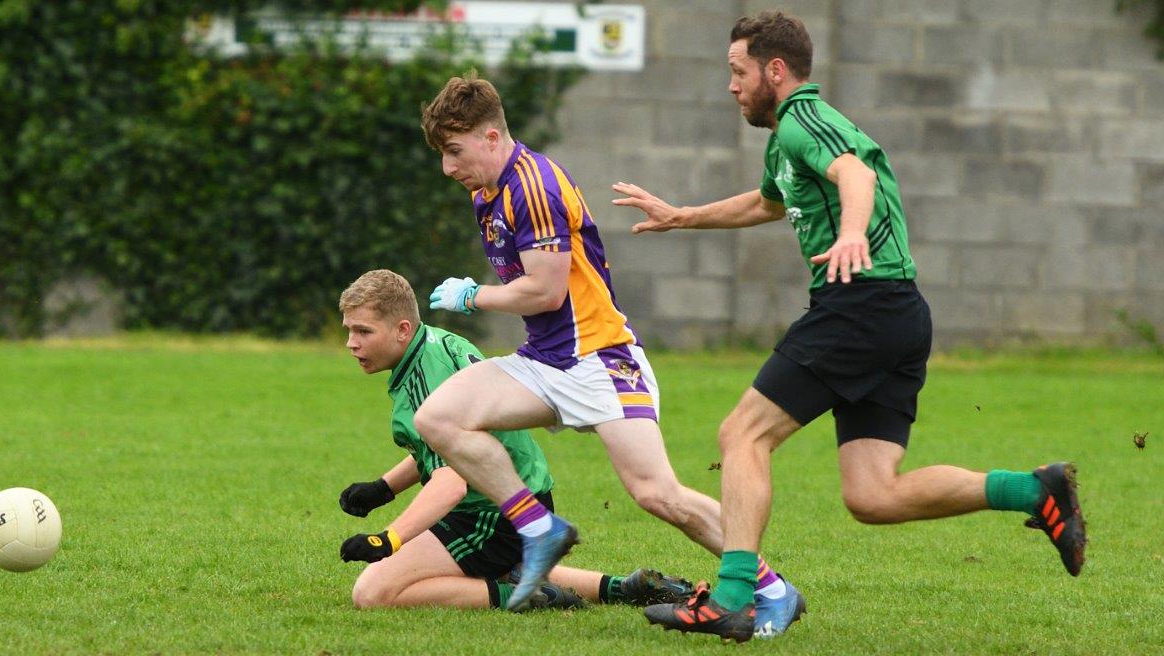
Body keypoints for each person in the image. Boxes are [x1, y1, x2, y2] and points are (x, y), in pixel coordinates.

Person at [612, 11, 1086, 643]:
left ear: (773, 71)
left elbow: (856, 176)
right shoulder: (790, 136)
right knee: (872, 496)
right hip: (897, 314)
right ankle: (1034, 492)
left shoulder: (805, 122)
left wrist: (854, 232)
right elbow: (767, 203)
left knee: (741, 435)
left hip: (857, 305)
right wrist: (682, 217)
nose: (731, 85)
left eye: (738, 71)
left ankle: (731, 599)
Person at [414, 72, 805, 635]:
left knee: (657, 494)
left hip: (600, 360)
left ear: (492, 137)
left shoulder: (532, 187)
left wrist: (471, 295)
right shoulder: (486, 191)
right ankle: (538, 529)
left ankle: (772, 588)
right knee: (439, 418)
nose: (448, 167)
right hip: (546, 361)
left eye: (454, 151)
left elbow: (545, 290)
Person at [337, 268, 696, 611]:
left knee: (373, 591)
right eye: (349, 331)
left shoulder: (425, 378)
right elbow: (443, 449)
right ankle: (621, 587)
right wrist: (384, 488)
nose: (352, 343)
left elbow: (452, 483)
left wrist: (389, 539)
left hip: (491, 513)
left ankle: (522, 595)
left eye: (363, 332)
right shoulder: (435, 346)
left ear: (402, 329)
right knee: (474, 565)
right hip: (519, 497)